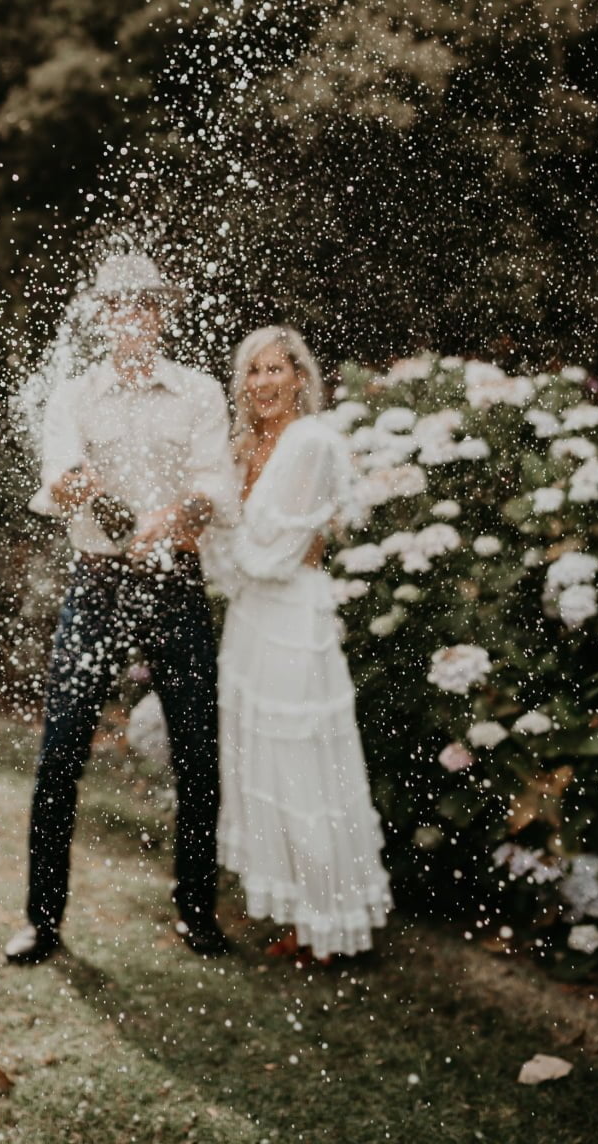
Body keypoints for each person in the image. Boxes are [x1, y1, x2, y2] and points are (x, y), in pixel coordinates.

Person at [4, 252, 239, 964]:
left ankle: (197, 912)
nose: (131, 316)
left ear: (162, 315)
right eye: (118, 305)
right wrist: (99, 499)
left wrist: (171, 517)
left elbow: (213, 489)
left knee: (198, 754)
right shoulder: (74, 396)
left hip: (176, 583)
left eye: (144, 304)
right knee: (60, 754)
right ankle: (42, 922)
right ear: (102, 316)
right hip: (97, 584)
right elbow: (58, 479)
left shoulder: (199, 392)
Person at [205, 326, 391, 963]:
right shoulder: (240, 449)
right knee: (264, 766)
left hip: (293, 618)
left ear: (300, 378)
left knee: (306, 767)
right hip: (250, 621)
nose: (263, 383)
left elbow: (274, 555)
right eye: (252, 371)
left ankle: (333, 924)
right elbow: (225, 560)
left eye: (275, 370)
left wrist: (220, 536)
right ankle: (302, 916)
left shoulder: (312, 443)